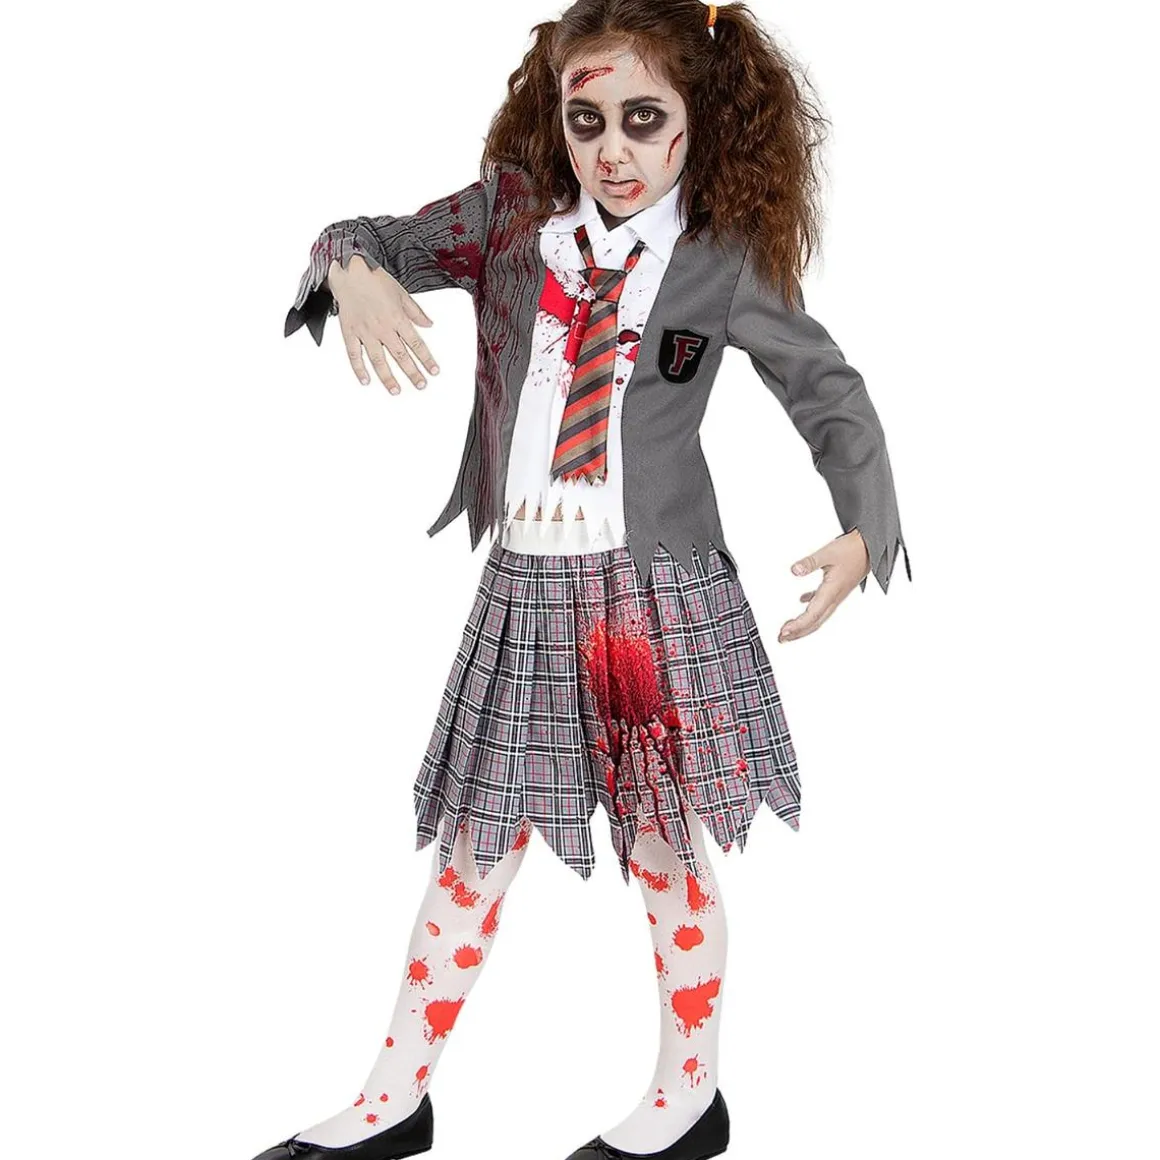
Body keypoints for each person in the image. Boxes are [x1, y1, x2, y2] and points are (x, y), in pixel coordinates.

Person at [254, 2, 910, 1158]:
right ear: (554, 115)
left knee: (662, 843)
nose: (611, 149)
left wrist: (864, 525)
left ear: (699, 117)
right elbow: (362, 232)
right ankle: (394, 1097)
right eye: (586, 118)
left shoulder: (717, 261)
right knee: (474, 841)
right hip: (524, 587)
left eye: (642, 119)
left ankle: (688, 1095)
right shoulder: (511, 222)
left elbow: (827, 388)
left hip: (650, 599)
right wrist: (349, 267)